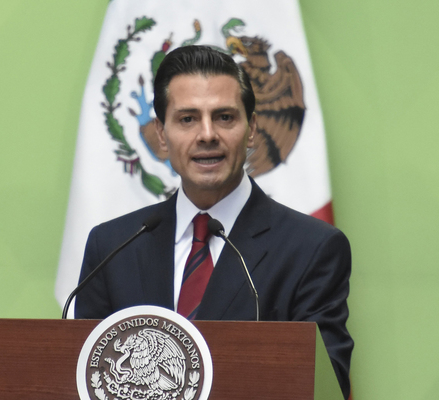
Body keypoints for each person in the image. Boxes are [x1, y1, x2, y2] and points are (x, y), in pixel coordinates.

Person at [75, 45, 353, 399]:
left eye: (224, 117)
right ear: (161, 133)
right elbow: (85, 377)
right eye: (187, 119)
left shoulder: (311, 249)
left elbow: (326, 385)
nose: (207, 135)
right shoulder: (112, 247)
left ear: (251, 129)